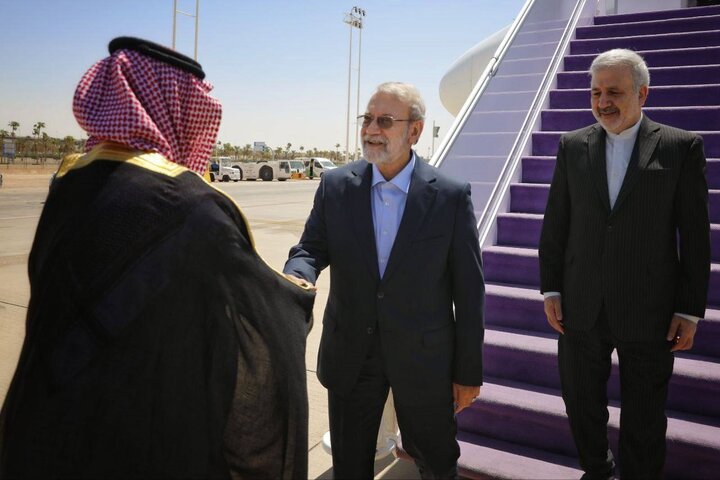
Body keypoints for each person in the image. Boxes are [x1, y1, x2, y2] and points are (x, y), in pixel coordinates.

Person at [0, 37, 314, 478]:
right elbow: (257, 309)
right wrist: (296, 294)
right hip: (136, 431)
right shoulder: (191, 205)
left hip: (44, 421)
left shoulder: (69, 182)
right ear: (178, 110)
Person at [284, 82, 485, 479]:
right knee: (350, 466)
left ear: (415, 131)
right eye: (368, 119)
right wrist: (297, 276)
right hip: (352, 356)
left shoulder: (449, 196)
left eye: (385, 121)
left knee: (437, 464)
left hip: (424, 362)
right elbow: (309, 248)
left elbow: (469, 290)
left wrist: (467, 372)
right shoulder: (335, 186)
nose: (371, 129)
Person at [539, 49, 711, 478]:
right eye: (596, 92)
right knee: (580, 404)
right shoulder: (572, 145)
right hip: (581, 305)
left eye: (614, 92)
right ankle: (597, 468)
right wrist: (551, 288)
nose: (603, 102)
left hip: (650, 310)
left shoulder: (680, 147)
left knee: (645, 416)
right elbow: (556, 223)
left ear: (642, 93)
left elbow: (695, 237)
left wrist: (689, 309)